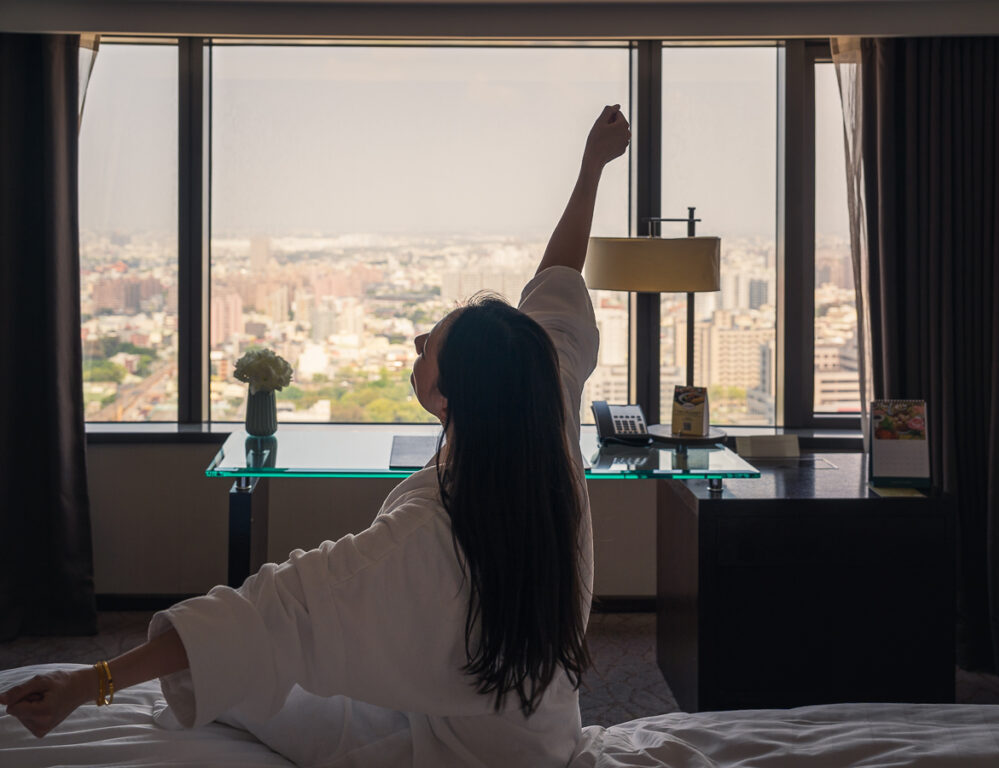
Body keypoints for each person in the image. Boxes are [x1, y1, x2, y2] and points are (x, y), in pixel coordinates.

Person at [0, 104, 631, 767]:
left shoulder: (432, 534)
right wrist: (591, 168)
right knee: (275, 668)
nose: (416, 343)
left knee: (247, 685)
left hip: (453, 751)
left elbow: (269, 609)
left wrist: (90, 682)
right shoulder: (542, 419)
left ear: (451, 399)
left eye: (428, 348)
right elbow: (557, 287)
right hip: (543, 736)